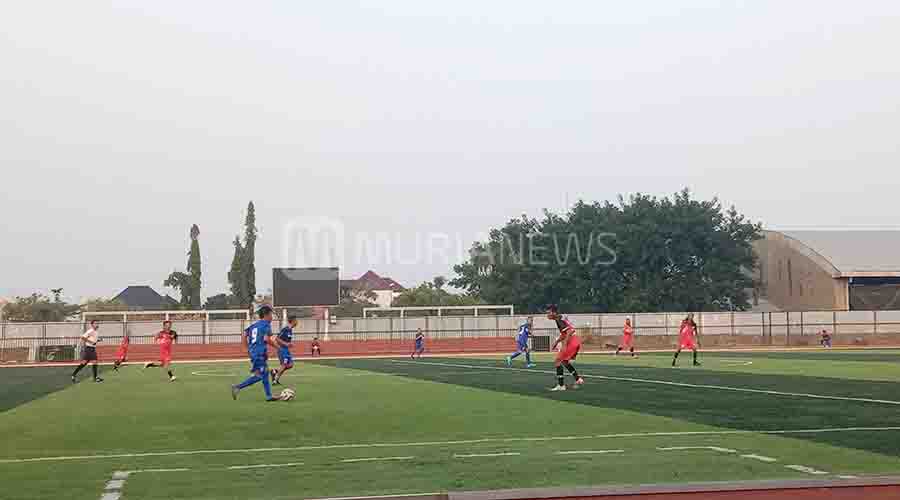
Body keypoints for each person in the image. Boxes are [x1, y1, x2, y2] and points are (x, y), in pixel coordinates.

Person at [231, 305, 278, 402]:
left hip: (255, 352)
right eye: (271, 315)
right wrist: (278, 347)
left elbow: (244, 334)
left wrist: (247, 348)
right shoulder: (266, 324)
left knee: (264, 373)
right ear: (266, 315)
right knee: (260, 375)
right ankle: (237, 387)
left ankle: (269, 396)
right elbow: (266, 339)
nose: (272, 317)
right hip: (258, 353)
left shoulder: (255, 325)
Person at [547, 304, 584, 391]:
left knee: (558, 361)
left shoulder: (559, 319)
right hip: (575, 341)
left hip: (572, 341)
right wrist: (556, 342)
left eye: (549, 313)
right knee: (564, 362)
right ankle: (578, 379)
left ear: (554, 313)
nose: (547, 315)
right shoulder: (560, 318)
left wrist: (564, 345)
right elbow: (565, 333)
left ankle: (561, 385)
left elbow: (569, 331)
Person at [272, 315, 297, 385]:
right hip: (282, 349)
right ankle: (275, 380)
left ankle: (275, 371)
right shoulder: (285, 329)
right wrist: (286, 344)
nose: (297, 322)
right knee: (284, 365)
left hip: (286, 350)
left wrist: (289, 344)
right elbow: (277, 339)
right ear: (293, 321)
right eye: (296, 320)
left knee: (290, 365)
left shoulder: (290, 330)